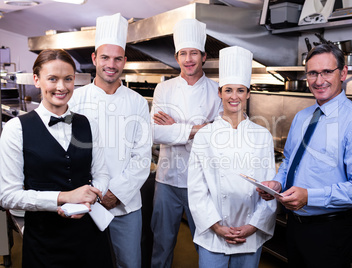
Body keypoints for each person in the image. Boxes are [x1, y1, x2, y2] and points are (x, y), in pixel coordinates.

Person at [258, 43, 352, 268]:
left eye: (327, 71)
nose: (318, 80)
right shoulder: (302, 117)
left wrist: (310, 197)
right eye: (312, 73)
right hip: (295, 225)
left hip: (329, 231)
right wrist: (278, 183)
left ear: (343, 73)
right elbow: (288, 160)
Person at [0, 49, 113, 267]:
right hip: (44, 241)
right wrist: (62, 198)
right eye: (52, 79)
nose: (61, 87)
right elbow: (7, 196)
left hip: (89, 237)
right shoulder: (17, 129)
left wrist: (89, 198)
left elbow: (102, 174)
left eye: (68, 79)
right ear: (37, 80)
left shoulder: (88, 125)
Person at [68, 13, 152, 268]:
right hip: (85, 202)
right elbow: (66, 152)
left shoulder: (137, 102)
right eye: (105, 57)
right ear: (94, 58)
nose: (111, 64)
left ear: (125, 61)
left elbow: (143, 155)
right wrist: (90, 193)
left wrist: (115, 192)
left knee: (130, 263)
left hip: (125, 205)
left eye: (117, 58)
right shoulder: (75, 99)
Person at [187, 46, 277, 268]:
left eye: (240, 90)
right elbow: (196, 188)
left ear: (248, 93)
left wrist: (253, 226)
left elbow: (269, 190)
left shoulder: (262, 135)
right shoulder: (205, 136)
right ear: (220, 93)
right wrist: (216, 226)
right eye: (228, 90)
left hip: (250, 234)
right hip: (213, 234)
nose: (234, 97)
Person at [150, 18, 222, 267]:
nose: (188, 59)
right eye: (183, 53)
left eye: (194, 53)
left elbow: (220, 138)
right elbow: (156, 134)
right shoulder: (164, 89)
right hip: (167, 181)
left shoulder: (218, 90)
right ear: (176, 57)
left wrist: (176, 130)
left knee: (206, 244)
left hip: (203, 181)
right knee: (162, 243)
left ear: (203, 56)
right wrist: (200, 129)